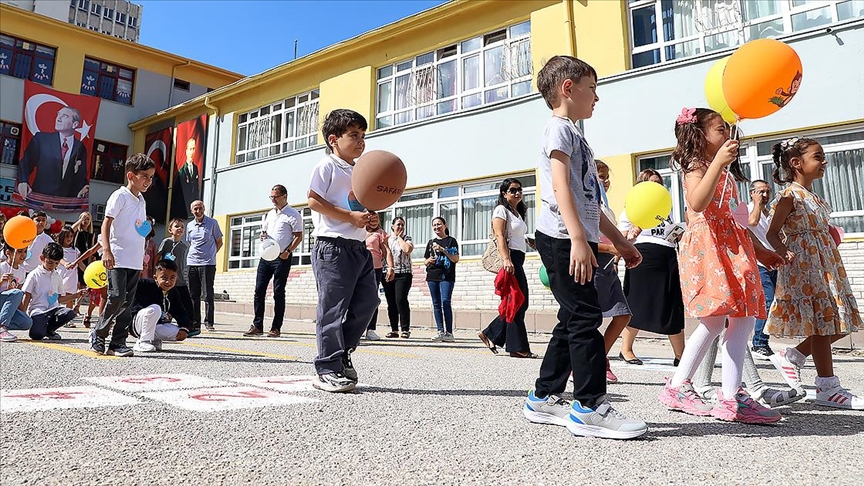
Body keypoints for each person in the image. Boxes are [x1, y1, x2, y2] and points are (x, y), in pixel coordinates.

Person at [521, 56, 647, 440]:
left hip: (575, 234)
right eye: (592, 88)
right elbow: (559, 188)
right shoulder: (558, 130)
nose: (597, 97)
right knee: (586, 317)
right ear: (568, 89)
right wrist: (578, 238)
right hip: (561, 236)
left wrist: (621, 241)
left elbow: (590, 201)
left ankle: (543, 397)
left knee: (574, 316)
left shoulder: (576, 136)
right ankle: (589, 406)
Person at [657, 107, 784, 424]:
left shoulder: (725, 174)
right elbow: (698, 203)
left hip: (733, 248)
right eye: (719, 130)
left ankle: (726, 396)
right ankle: (703, 392)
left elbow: (737, 221)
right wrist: (717, 163)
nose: (727, 134)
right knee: (717, 321)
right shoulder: (696, 167)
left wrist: (761, 252)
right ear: (699, 136)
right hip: (711, 250)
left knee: (737, 319)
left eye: (727, 129)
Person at [765, 137, 862, 409]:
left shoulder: (814, 197)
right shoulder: (789, 195)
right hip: (806, 266)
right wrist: (782, 251)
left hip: (825, 264)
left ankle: (794, 356)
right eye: (818, 157)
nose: (824, 162)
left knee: (838, 322)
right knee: (823, 323)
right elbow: (771, 232)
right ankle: (827, 386)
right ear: (797, 163)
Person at [306, 108, 379, 392]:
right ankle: (327, 368)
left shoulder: (360, 171)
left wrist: (370, 219)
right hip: (332, 246)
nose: (361, 141)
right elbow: (313, 201)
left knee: (368, 302)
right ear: (334, 139)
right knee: (332, 309)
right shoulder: (327, 166)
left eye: (363, 136)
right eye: (354, 135)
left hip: (358, 248)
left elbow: (361, 209)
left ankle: (343, 353)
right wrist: (349, 218)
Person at [618, 169, 686, 366]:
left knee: (672, 304)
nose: (657, 186)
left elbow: (669, 231)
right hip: (643, 256)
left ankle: (680, 355)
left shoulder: (666, 209)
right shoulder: (631, 207)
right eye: (652, 182)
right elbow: (621, 236)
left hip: (668, 256)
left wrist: (678, 234)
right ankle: (626, 349)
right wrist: (631, 232)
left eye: (659, 182)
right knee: (638, 302)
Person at [89, 153, 155, 357]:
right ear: (131, 175)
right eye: (144, 176)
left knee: (128, 303)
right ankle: (99, 334)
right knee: (116, 296)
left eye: (151, 177)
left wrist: (144, 251)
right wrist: (106, 250)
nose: (148, 181)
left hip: (134, 259)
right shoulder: (120, 196)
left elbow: (139, 229)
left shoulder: (141, 200)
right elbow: (107, 223)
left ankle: (118, 342)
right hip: (117, 256)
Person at [478, 178, 538, 358]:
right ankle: (517, 347)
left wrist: (531, 243)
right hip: (510, 258)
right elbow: (499, 235)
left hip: (518, 258)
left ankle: (490, 333)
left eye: (519, 189)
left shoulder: (517, 212)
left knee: (518, 302)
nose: (517, 193)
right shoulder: (501, 210)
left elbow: (517, 235)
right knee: (518, 301)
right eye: (512, 190)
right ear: (504, 193)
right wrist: (506, 259)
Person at [591, 161, 633, 382]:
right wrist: (610, 248)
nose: (605, 181)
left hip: (609, 266)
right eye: (600, 176)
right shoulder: (587, 205)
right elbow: (581, 242)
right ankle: (587, 361)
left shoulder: (606, 207)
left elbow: (612, 239)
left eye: (607, 177)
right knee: (592, 318)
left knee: (623, 314)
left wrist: (625, 246)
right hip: (594, 263)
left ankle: (599, 358)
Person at [244, 184, 303, 338]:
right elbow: (265, 232)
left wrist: (288, 251)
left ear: (284, 196)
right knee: (259, 291)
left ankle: (276, 327)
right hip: (266, 256)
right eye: (271, 197)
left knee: (278, 292)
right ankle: (257, 325)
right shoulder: (269, 214)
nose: (273, 200)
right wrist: (263, 236)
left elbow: (299, 236)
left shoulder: (293, 214)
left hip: (282, 257)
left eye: (276, 197)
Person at [17, 106, 89, 200]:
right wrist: (23, 181)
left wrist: (84, 186)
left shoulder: (80, 147)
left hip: (65, 203)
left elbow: (80, 176)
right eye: (58, 114)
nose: (58, 118)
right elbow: (25, 163)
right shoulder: (42, 139)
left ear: (74, 124)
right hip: (40, 199)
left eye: (65, 116)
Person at [22, 243, 85, 340]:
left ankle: (49, 329)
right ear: (42, 258)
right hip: (38, 311)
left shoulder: (57, 276)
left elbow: (60, 299)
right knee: (37, 335)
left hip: (53, 310)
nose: (53, 266)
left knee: (69, 313)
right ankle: (42, 328)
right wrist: (23, 314)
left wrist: (76, 295)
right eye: (50, 262)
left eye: (56, 263)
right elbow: (27, 295)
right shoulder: (34, 275)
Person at [129, 259, 192, 353]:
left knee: (178, 333)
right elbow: (131, 283)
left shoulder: (173, 292)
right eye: (164, 278)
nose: (168, 282)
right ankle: (142, 341)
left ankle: (154, 340)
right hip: (138, 324)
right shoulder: (146, 285)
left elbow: (180, 312)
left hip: (157, 325)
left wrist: (184, 327)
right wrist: (138, 272)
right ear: (155, 277)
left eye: (172, 278)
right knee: (155, 308)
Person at [747, 180, 777, 359]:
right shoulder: (749, 209)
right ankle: (759, 342)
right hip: (758, 262)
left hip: (772, 261)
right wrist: (757, 204)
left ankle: (762, 341)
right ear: (752, 193)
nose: (765, 195)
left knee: (772, 302)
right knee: (768, 300)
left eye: (767, 192)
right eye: (760, 192)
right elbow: (751, 222)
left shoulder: (769, 211)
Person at [186, 200, 223, 332]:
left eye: (200, 208)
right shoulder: (189, 225)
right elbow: (190, 243)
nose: (198, 211)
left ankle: (209, 322)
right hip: (192, 262)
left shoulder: (213, 223)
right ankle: (195, 322)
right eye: (195, 209)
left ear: (204, 208)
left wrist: (211, 254)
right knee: (193, 294)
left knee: (207, 294)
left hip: (207, 263)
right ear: (192, 211)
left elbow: (219, 241)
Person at [424, 216, 460, 342]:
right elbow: (425, 260)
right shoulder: (430, 242)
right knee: (436, 303)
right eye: (434, 225)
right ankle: (440, 331)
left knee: (445, 301)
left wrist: (443, 250)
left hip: (447, 276)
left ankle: (449, 333)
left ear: (445, 226)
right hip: (432, 275)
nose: (436, 227)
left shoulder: (451, 241)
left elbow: (455, 259)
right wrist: (428, 261)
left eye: (439, 224)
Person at [158, 218, 195, 336]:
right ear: (170, 229)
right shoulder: (166, 242)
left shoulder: (184, 246)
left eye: (182, 227)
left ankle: (189, 325)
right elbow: (158, 256)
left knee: (186, 302)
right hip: (166, 280)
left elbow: (183, 263)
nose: (179, 229)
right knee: (166, 302)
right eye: (176, 226)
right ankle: (162, 322)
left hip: (179, 280)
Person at [363, 211, 393, 341]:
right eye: (370, 217)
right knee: (355, 298)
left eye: (375, 218)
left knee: (372, 299)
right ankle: (354, 328)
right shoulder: (358, 230)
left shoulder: (380, 233)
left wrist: (391, 267)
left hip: (375, 269)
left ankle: (370, 329)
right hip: (358, 268)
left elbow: (386, 250)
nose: (372, 220)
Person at [383, 216, 414, 339]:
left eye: (402, 225)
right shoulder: (387, 239)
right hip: (390, 273)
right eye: (398, 224)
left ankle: (405, 329)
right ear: (392, 226)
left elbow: (407, 249)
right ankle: (394, 329)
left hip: (404, 273)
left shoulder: (407, 238)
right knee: (391, 302)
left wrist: (399, 238)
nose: (400, 227)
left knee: (400, 299)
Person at [0, 244, 33, 342]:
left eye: (25, 251)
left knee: (27, 322)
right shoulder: (1, 267)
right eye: (19, 251)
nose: (23, 254)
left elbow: (18, 295)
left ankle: (3, 321)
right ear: (8, 253)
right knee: (17, 293)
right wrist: (1, 281)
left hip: (7, 306)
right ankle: (2, 327)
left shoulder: (22, 271)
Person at [55, 225, 82, 321]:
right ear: (62, 236)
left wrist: (87, 271)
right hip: (61, 275)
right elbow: (59, 259)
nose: (69, 238)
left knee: (70, 297)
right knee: (58, 296)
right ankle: (56, 315)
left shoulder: (75, 250)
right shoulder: (58, 248)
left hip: (72, 277)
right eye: (67, 236)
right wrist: (65, 264)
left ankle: (68, 318)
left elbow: (80, 263)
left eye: (71, 236)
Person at [71, 211, 94, 315]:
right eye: (84, 218)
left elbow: (92, 249)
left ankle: (78, 306)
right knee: (75, 284)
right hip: (75, 258)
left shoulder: (91, 234)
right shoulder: (76, 232)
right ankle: (70, 305)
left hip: (85, 260)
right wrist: (80, 220)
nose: (86, 221)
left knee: (84, 285)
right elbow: (71, 229)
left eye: (88, 219)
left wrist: (89, 263)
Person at [177, 137, 201, 213]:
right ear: (186, 151)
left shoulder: (195, 168)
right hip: (185, 204)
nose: (192, 152)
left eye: (194, 149)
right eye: (190, 149)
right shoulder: (182, 170)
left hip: (194, 204)